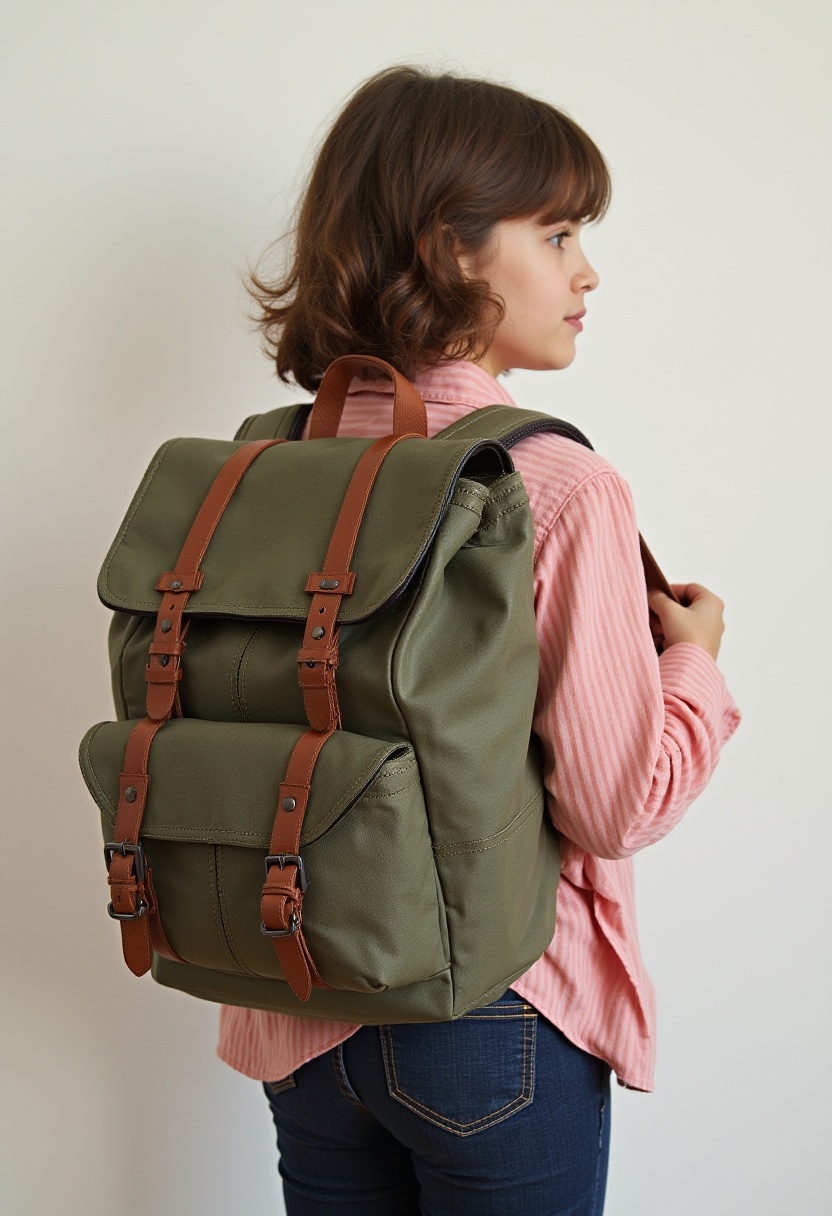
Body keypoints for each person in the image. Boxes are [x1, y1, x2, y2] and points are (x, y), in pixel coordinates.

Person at [216, 66, 740, 1216]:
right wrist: (692, 660)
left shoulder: (264, 470)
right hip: (490, 1011)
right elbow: (615, 806)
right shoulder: (549, 481)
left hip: (291, 1001)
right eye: (554, 233)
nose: (585, 270)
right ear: (450, 248)